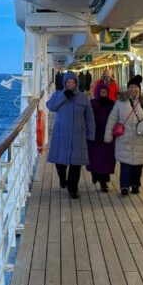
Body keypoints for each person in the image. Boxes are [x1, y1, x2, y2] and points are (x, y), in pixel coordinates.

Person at [105, 75, 143, 195]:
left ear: (139, 89)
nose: (133, 90)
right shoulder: (120, 102)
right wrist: (108, 135)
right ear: (127, 88)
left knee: (138, 166)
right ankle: (124, 186)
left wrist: (142, 127)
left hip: (141, 139)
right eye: (131, 87)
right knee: (125, 165)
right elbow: (112, 118)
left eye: (135, 87)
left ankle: (135, 184)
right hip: (124, 139)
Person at [46, 71, 95, 199]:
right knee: (60, 162)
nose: (71, 85)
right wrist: (63, 95)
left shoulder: (83, 97)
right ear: (65, 83)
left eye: (73, 82)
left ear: (76, 83)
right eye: (68, 82)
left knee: (76, 164)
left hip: (78, 134)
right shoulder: (58, 95)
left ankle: (73, 189)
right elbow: (50, 106)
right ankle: (63, 179)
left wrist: (91, 134)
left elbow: (89, 117)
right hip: (61, 134)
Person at [87, 85, 116, 192]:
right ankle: (95, 175)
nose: (103, 93)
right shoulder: (92, 104)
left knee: (106, 160)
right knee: (95, 159)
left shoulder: (112, 104)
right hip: (95, 137)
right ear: (98, 92)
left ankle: (104, 182)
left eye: (105, 92)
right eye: (101, 92)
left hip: (108, 137)